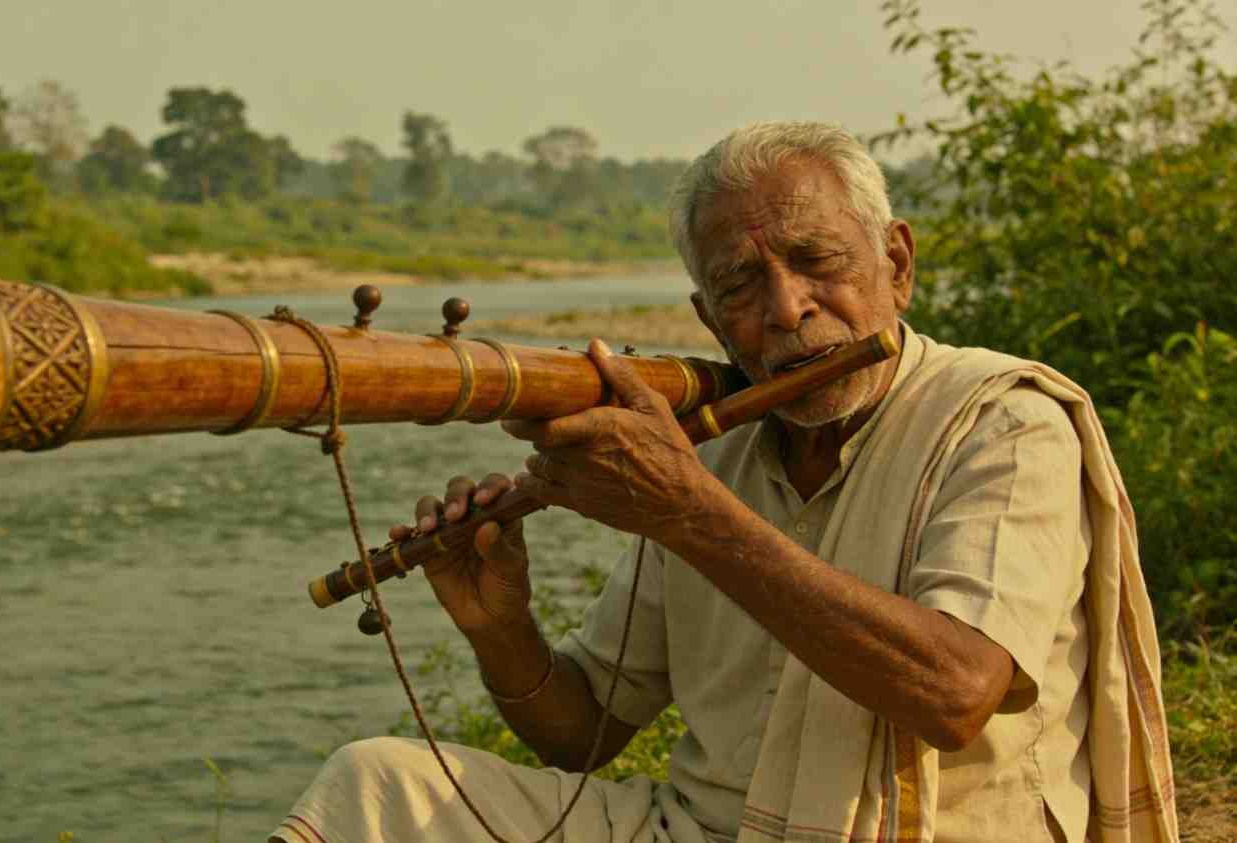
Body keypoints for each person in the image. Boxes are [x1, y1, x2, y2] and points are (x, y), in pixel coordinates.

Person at [268, 122, 1176, 843]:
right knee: (375, 782)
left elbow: (955, 691)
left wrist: (687, 511)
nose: (787, 308)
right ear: (709, 318)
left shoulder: (1002, 421)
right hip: (702, 829)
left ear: (896, 265)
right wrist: (500, 624)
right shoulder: (715, 450)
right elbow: (581, 732)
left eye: (817, 260)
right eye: (742, 285)